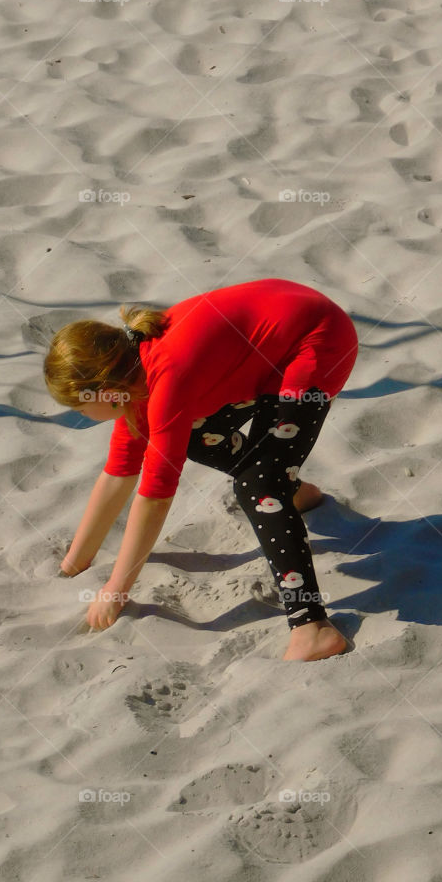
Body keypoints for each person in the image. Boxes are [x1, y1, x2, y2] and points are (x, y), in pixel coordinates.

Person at [42, 277, 359, 661]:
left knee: (258, 489)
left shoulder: (167, 380)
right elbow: (118, 474)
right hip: (272, 343)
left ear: (107, 391)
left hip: (317, 340)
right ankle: (293, 490)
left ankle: (314, 628)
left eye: (80, 407)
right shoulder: (135, 379)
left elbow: (154, 499)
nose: (82, 416)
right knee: (195, 435)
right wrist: (76, 562)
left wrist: (116, 589)